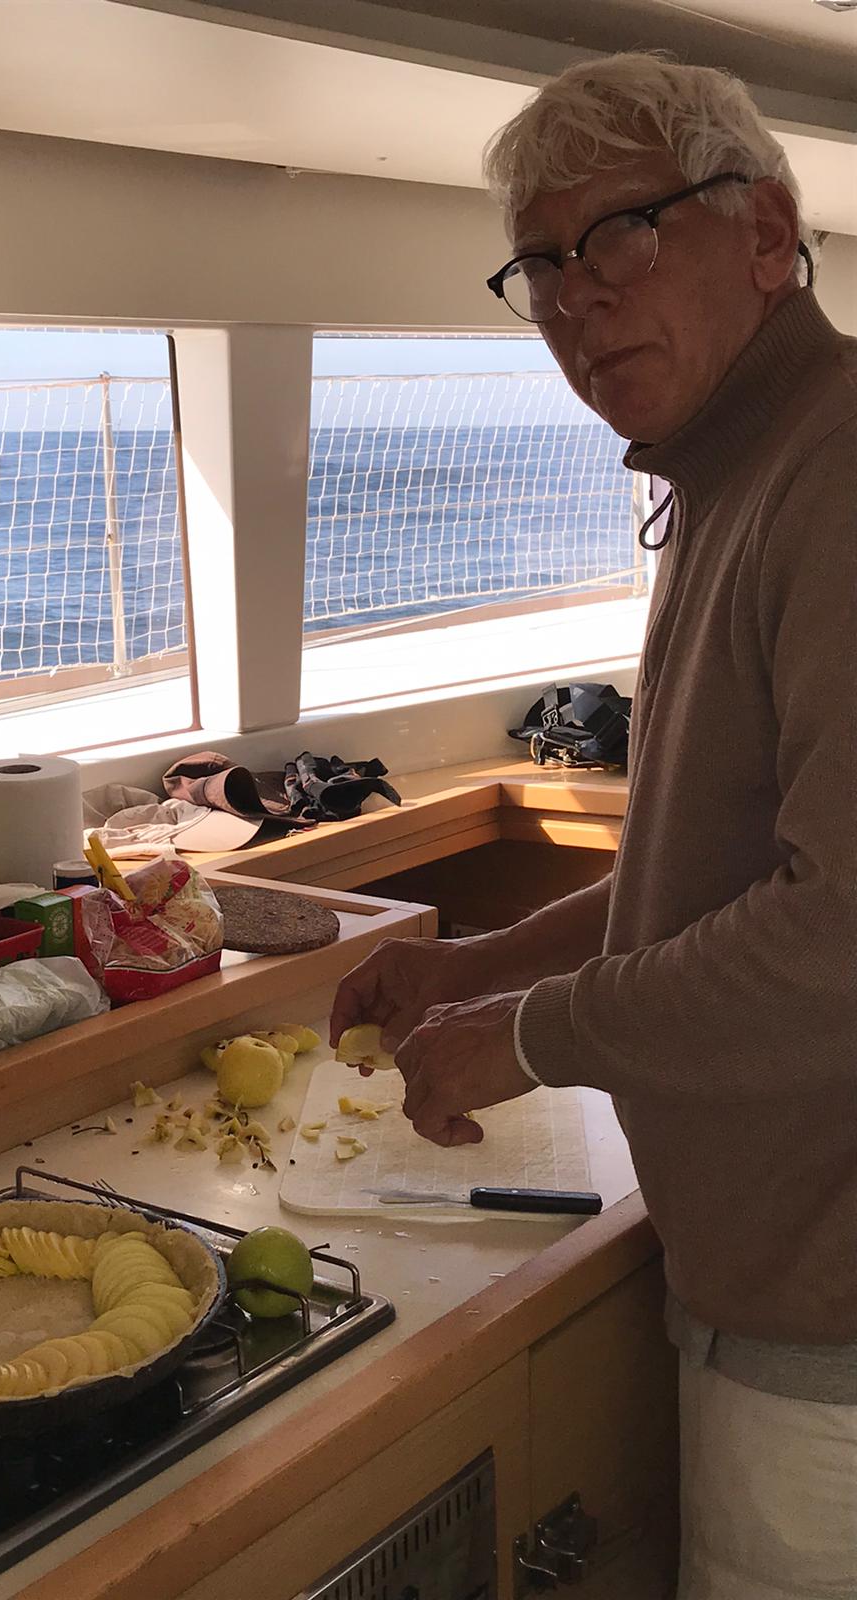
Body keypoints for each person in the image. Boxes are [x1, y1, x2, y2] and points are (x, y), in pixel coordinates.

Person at [331, 52, 855, 1600]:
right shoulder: (736, 470)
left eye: (621, 234)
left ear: (766, 231)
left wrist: (532, 1036)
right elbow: (710, 863)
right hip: (767, 1274)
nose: (575, 300)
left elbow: (837, 930)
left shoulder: (841, 479)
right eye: (541, 265)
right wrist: (480, 964)